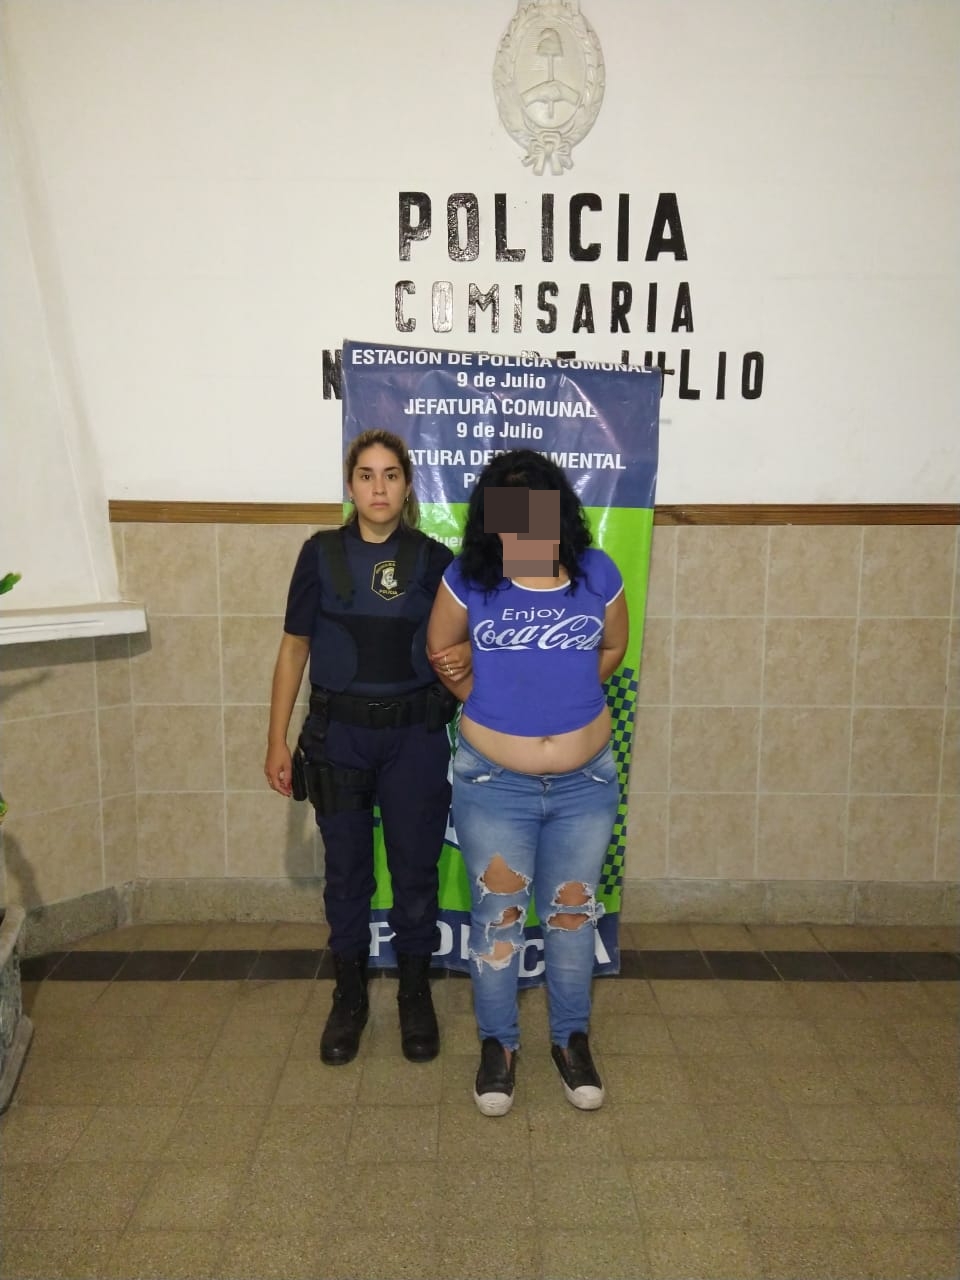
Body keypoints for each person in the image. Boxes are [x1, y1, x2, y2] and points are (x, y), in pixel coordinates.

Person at [426, 449, 628, 1115]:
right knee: (498, 919)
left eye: (534, 509)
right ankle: (499, 1046)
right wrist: (483, 699)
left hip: (585, 784)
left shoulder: (597, 572)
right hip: (493, 783)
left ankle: (571, 1041)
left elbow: (613, 646)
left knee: (572, 915)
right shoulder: (469, 577)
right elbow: (441, 651)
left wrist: (566, 697)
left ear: (558, 510)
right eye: (508, 512)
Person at [265, 429, 468, 1066]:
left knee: (415, 872)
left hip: (415, 739)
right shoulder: (319, 555)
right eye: (366, 475)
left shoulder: (436, 560)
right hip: (339, 740)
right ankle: (349, 997)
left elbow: (462, 647)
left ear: (407, 487)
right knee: (347, 873)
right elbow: (294, 648)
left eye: (390, 475)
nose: (378, 487)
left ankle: (414, 993)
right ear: (350, 486)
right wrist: (276, 740)